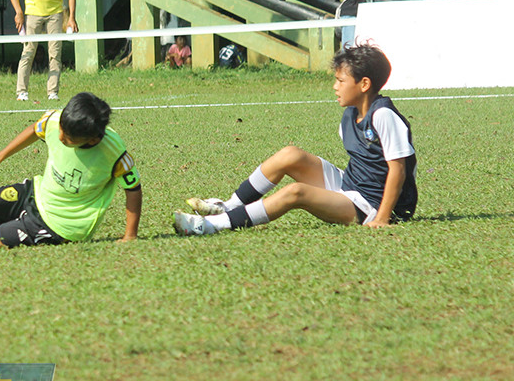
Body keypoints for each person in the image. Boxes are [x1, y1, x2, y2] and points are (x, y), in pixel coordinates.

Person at [175, 43, 416, 236]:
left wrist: (383, 218)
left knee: (297, 192)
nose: (335, 86)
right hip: (349, 185)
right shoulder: (350, 113)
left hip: (373, 205)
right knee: (291, 154)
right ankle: (229, 206)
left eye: (341, 81)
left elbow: (398, 171)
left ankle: (213, 225)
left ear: (364, 84)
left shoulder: (383, 115)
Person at [0, 92, 142, 250]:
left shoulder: (114, 152)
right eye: (61, 131)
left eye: (68, 140)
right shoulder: (56, 120)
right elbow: (37, 129)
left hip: (61, 225)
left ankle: (20, 228)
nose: (59, 138)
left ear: (93, 139)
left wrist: (130, 235)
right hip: (36, 194)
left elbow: (133, 189)